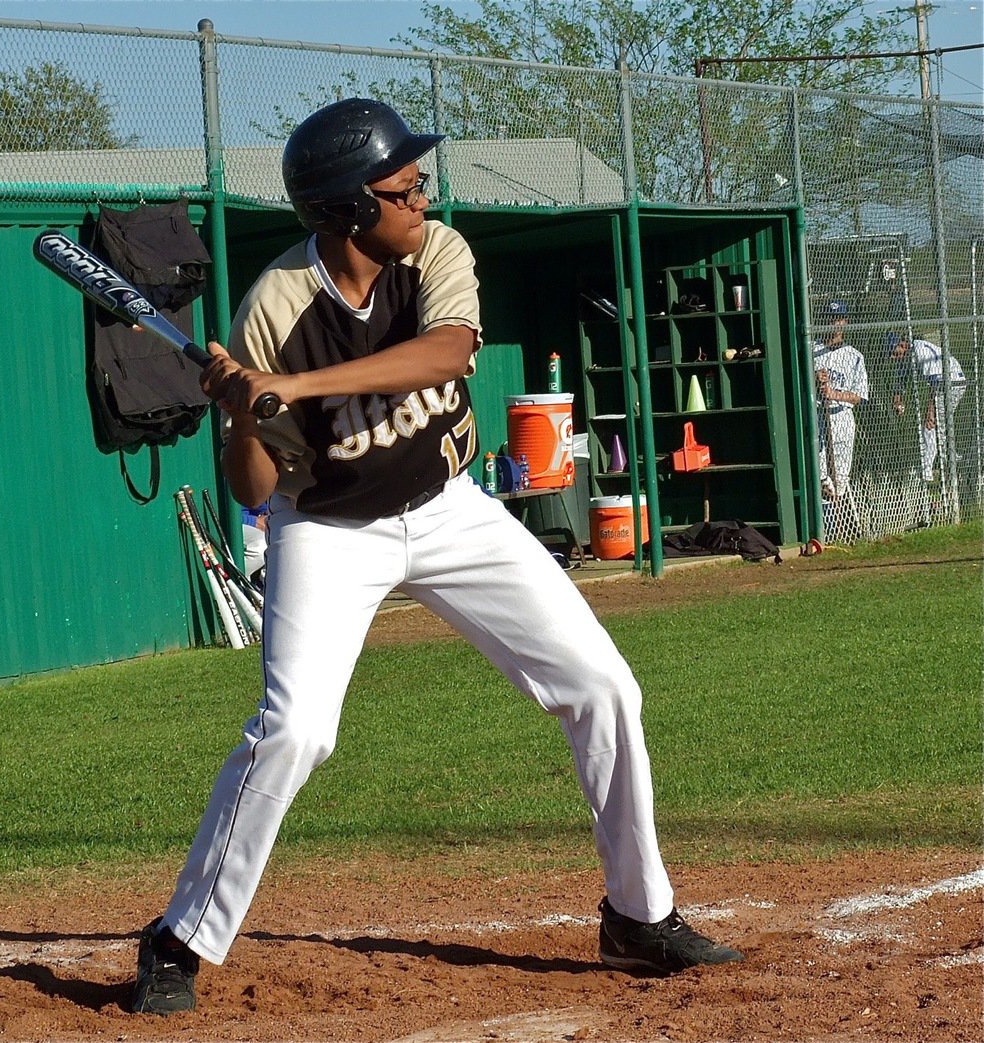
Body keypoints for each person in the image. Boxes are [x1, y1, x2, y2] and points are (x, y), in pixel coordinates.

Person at [130, 98, 742, 1016]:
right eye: (401, 186)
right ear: (344, 209)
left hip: (452, 509)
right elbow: (259, 485)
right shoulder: (276, 307)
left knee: (603, 685)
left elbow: (447, 356)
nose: (422, 195)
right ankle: (177, 937)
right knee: (297, 730)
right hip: (330, 528)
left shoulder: (436, 254)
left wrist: (290, 383)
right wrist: (240, 407)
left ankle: (637, 916)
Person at [812, 301, 869, 540]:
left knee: (840, 480)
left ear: (845, 321)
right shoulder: (811, 350)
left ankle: (835, 531)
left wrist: (834, 394)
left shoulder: (854, 356)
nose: (835, 323)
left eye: (839, 319)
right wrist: (815, 379)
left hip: (842, 418)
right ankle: (824, 533)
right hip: (818, 417)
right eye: (830, 318)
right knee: (821, 475)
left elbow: (859, 396)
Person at [889, 333, 967, 484]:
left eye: (894, 352)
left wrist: (930, 412)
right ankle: (950, 461)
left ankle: (927, 471)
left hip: (950, 381)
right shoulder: (907, 355)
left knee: (930, 425)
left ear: (903, 345)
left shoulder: (919, 351)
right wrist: (897, 400)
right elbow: (900, 380)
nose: (893, 357)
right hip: (952, 381)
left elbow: (935, 382)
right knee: (940, 425)